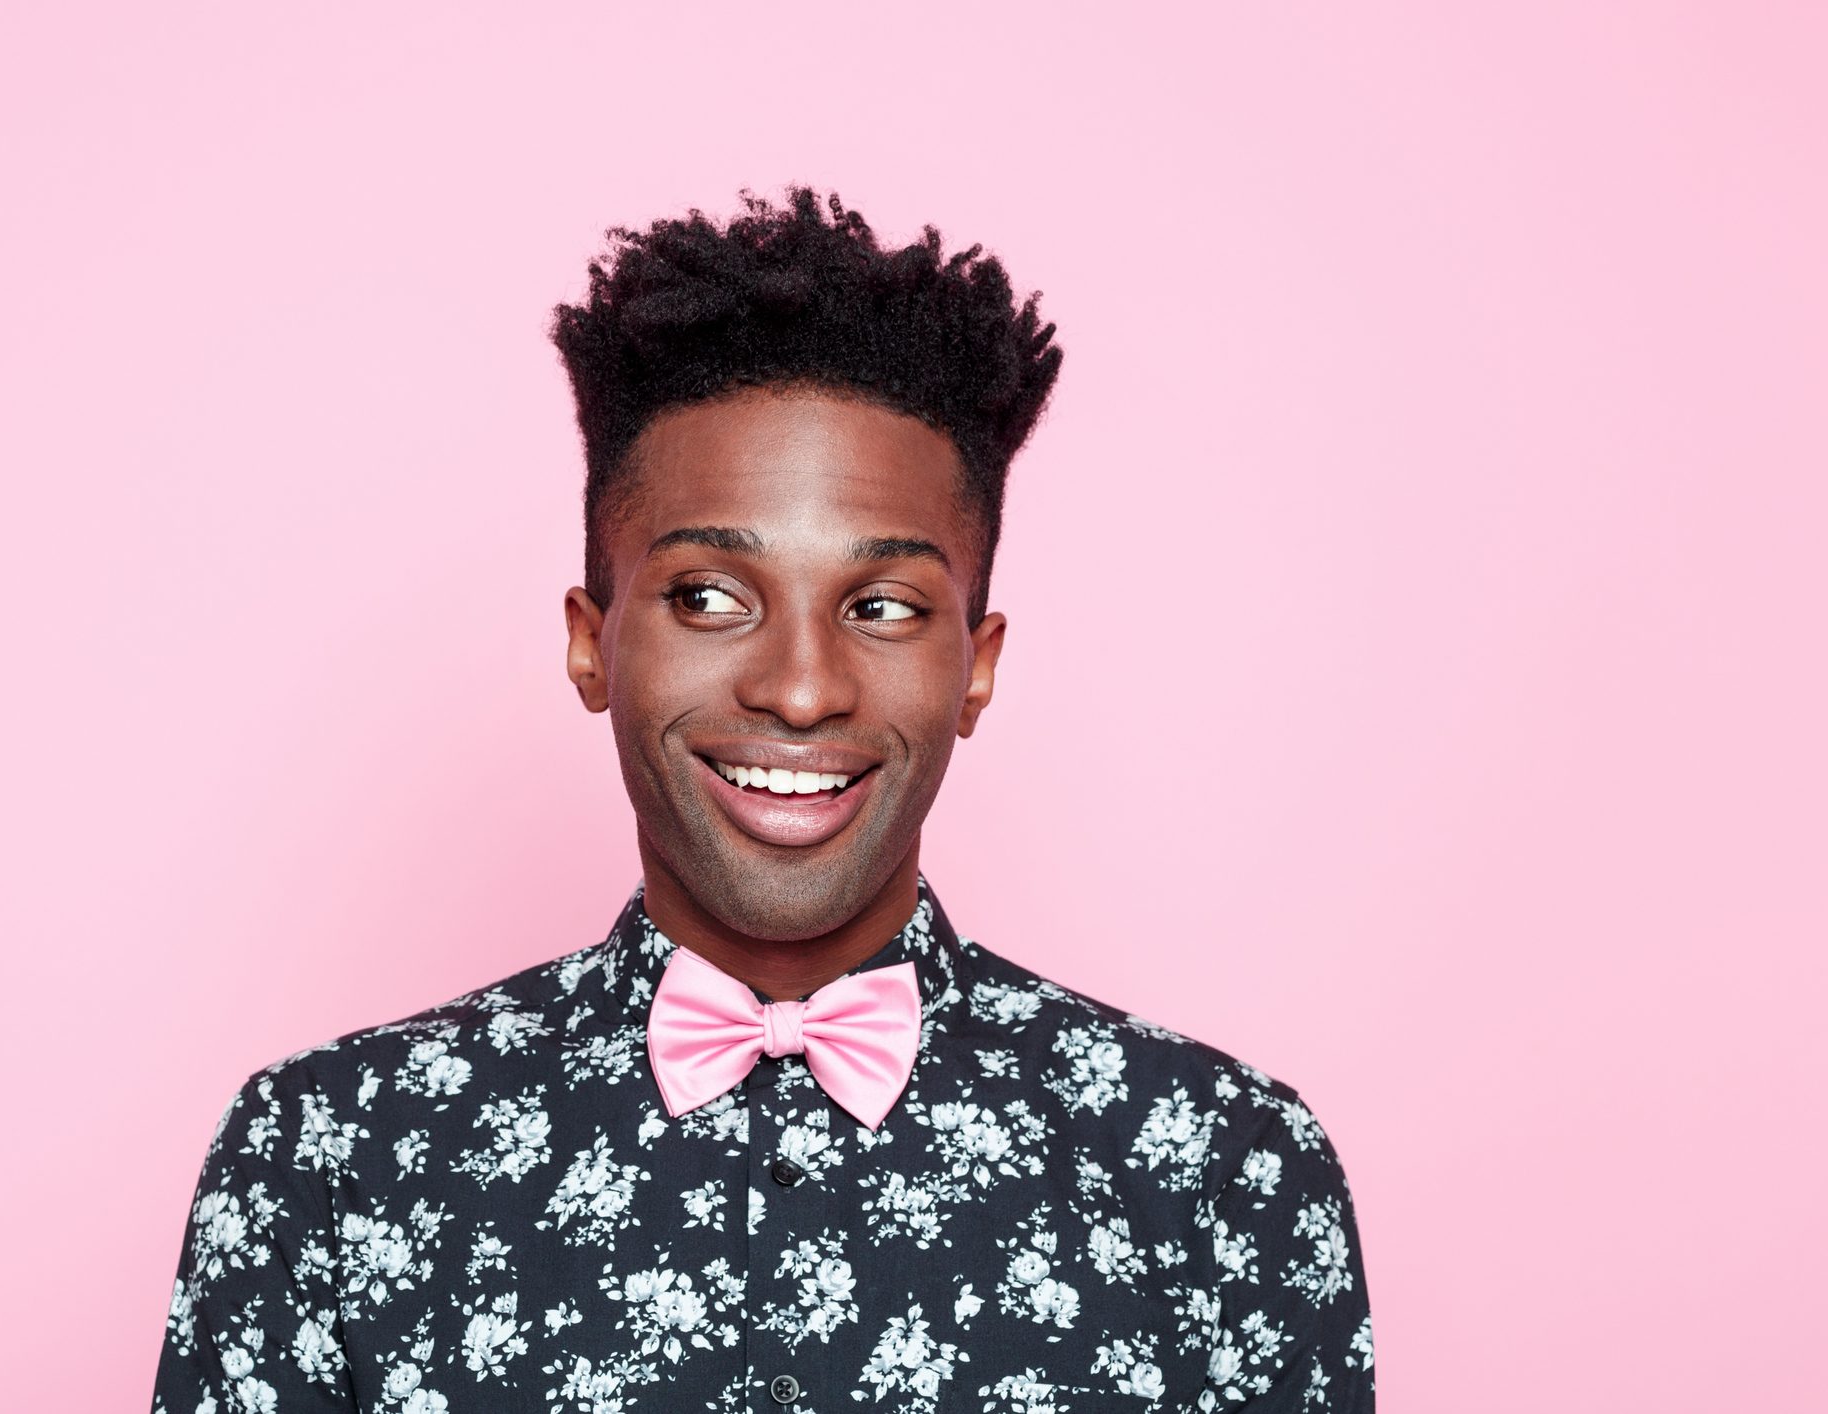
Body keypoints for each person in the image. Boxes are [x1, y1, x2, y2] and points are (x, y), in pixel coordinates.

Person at [150, 188, 1374, 1413]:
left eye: (882, 607)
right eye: (709, 597)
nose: (799, 689)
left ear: (976, 666)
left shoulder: (1225, 1174)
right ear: (591, 642)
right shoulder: (327, 1161)